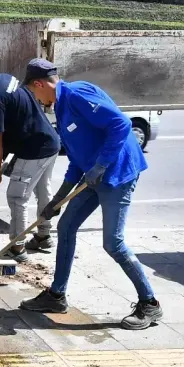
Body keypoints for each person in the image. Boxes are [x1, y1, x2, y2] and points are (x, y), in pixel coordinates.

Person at [19, 58, 162, 330]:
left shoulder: (77, 95)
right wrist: (58, 198)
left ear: (39, 84)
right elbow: (77, 159)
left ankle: (150, 304)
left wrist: (101, 165)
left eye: (35, 92)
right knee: (66, 226)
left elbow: (121, 124)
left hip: (117, 174)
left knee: (113, 243)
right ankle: (57, 295)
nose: (37, 99)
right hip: (93, 176)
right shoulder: (61, 108)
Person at [0, 57, 61, 262]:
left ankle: (17, 248)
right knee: (43, 190)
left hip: (34, 150)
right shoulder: (7, 79)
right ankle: (43, 235)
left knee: (17, 197)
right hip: (50, 141)